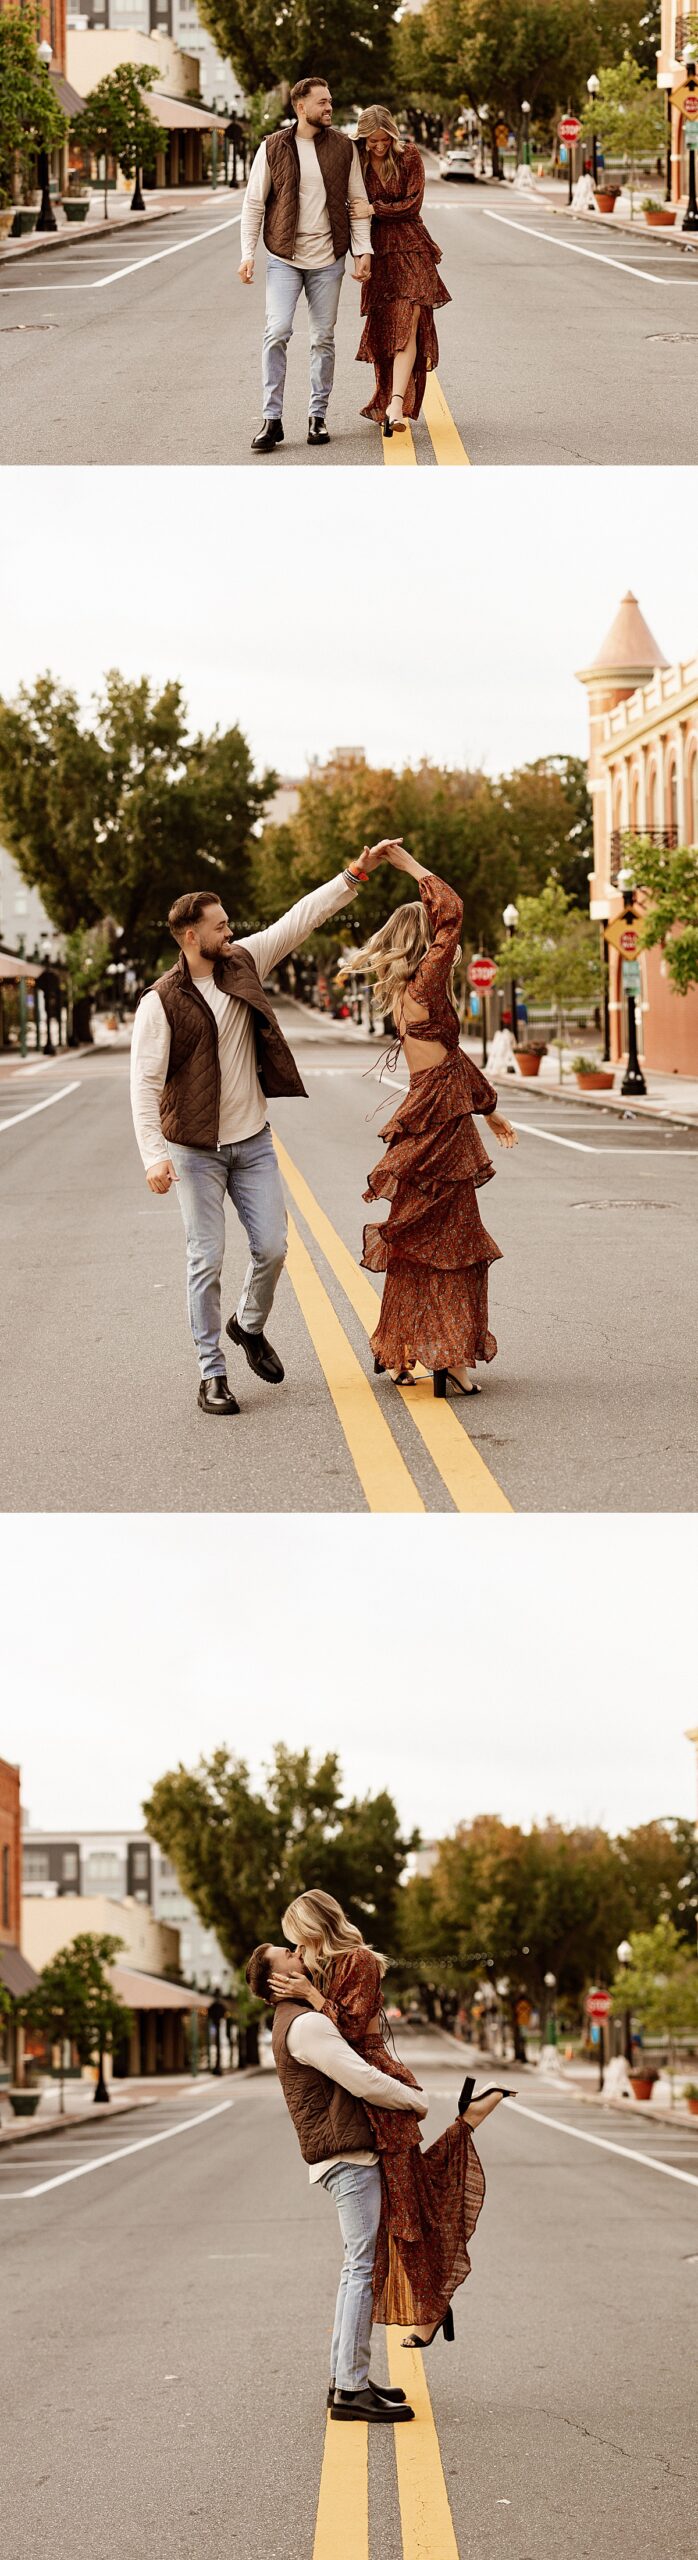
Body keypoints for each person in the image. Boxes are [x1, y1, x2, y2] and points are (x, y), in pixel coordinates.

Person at [129, 847, 393, 1416]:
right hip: (194, 1151)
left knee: (272, 1247)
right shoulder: (160, 1003)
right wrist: (154, 1155)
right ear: (191, 936)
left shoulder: (243, 961)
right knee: (205, 1258)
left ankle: (248, 1325)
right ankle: (212, 1374)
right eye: (220, 925)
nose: (231, 930)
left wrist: (353, 876)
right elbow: (144, 1085)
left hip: (251, 1141)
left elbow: (299, 919)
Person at [272, 1890, 511, 2352]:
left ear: (315, 1928)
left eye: (297, 1941)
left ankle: (432, 2308)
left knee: (410, 2210)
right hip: (361, 2105)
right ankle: (470, 2120)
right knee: (408, 2205)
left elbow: (349, 2026)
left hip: (379, 2091)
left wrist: (308, 1992)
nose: (297, 1952)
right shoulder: (325, 1968)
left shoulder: (357, 1960)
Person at [337, 844, 518, 1395]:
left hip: (422, 1119)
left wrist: (490, 1110)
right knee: (457, 1243)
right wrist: (413, 868)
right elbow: (453, 914)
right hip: (442, 1129)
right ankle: (451, 1362)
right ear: (424, 947)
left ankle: (402, 1353)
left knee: (416, 1241)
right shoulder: (426, 985)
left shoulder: (402, 999)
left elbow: (450, 1062)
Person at [245, 1937, 427, 2423]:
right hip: (346, 2156)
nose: (298, 1953)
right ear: (276, 1979)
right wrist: (413, 2100)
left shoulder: (298, 2019)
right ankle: (349, 2389)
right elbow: (360, 2077)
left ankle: (348, 2378)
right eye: (288, 1955)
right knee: (360, 2269)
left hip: (341, 2154)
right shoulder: (304, 2024)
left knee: (358, 2267)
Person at [239, 76, 373, 452]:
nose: (329, 107)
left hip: (328, 259)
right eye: (322, 102)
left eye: (330, 101)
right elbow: (253, 203)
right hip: (284, 258)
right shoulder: (272, 147)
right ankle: (272, 419)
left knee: (322, 338)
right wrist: (248, 254)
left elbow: (357, 202)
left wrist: (362, 251)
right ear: (301, 107)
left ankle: (317, 416)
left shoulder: (344, 148)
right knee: (277, 331)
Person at [354, 108, 451, 438]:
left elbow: (413, 204)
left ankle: (396, 405)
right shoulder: (357, 160)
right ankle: (388, 398)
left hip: (412, 248)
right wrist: (360, 253)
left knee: (408, 325)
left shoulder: (408, 155)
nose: (379, 146)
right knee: (387, 328)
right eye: (373, 141)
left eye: (385, 140)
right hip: (379, 253)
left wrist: (374, 209)